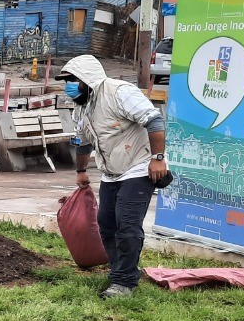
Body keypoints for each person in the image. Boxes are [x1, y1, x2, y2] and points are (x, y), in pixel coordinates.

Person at [58, 54, 168, 299]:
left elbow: (154, 120)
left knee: (127, 224)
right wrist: (81, 171)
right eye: (66, 81)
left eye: (73, 80)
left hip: (139, 166)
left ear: (87, 79)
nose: (69, 86)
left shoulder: (119, 92)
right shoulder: (82, 108)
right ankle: (120, 270)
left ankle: (124, 282)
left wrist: (157, 158)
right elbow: (83, 142)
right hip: (111, 172)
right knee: (106, 224)